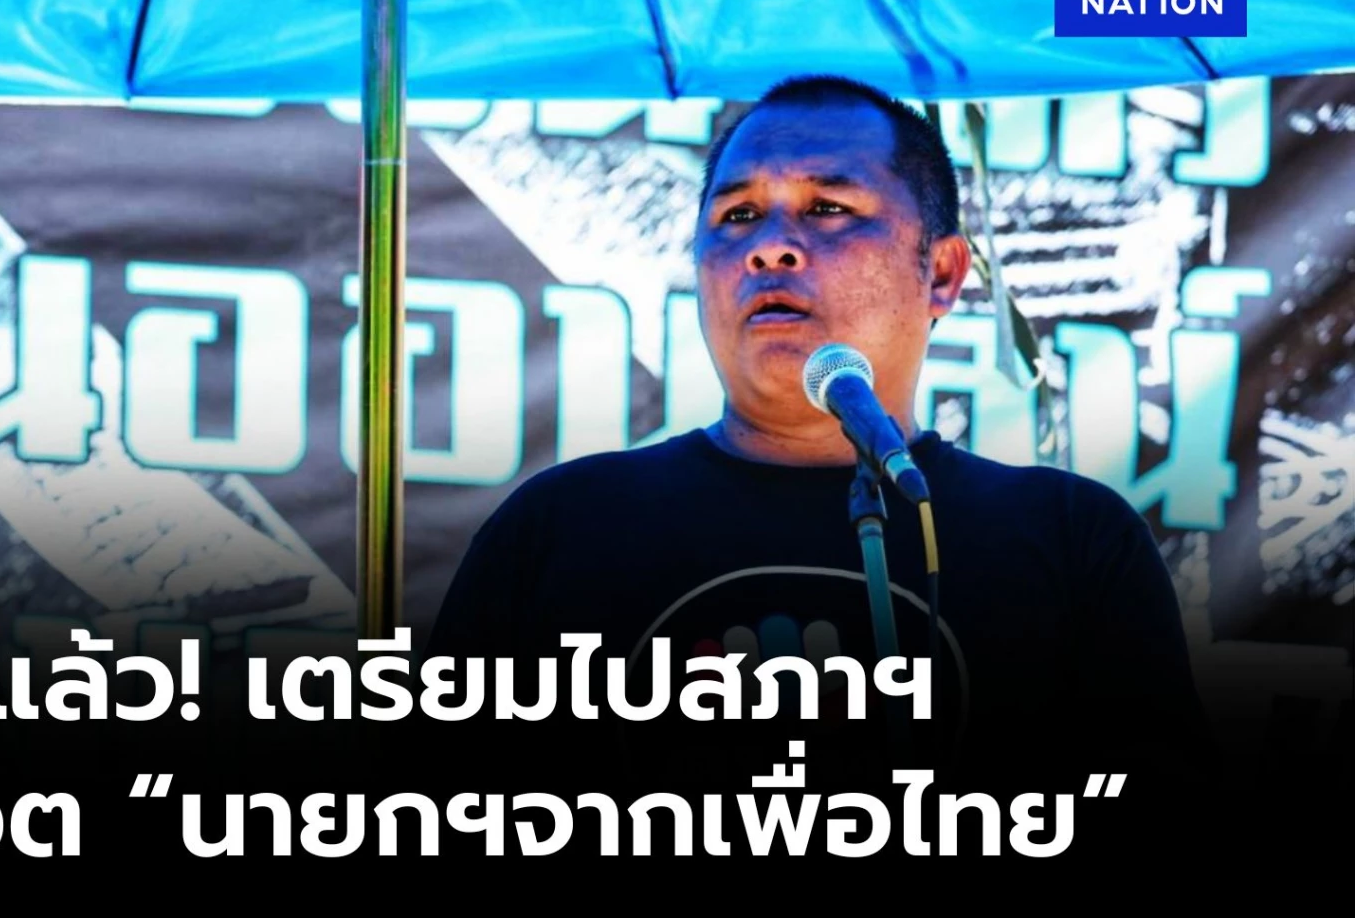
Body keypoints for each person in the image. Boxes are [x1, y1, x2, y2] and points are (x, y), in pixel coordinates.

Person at [425, 75, 1215, 821]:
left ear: (942, 272)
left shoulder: (1072, 539)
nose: (771, 247)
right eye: (737, 216)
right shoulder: (564, 527)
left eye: (829, 207)